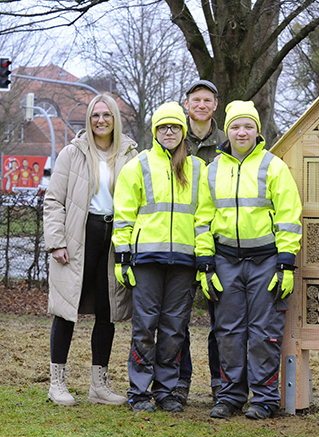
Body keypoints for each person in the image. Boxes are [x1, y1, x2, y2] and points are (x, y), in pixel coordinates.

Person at [194, 100, 302, 420]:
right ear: (227, 131)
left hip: (266, 262)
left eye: (248, 126)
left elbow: (289, 216)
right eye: (236, 126)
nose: (242, 132)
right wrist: (205, 263)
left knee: (264, 332)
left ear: (258, 131)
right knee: (227, 332)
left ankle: (265, 398)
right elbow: (202, 220)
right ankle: (230, 396)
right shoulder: (212, 170)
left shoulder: (273, 166)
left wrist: (285, 262)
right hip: (225, 261)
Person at [43, 94, 137, 407]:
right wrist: (57, 242)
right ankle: (57, 383)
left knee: (106, 311)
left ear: (115, 119)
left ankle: (99, 385)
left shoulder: (129, 153)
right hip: (79, 237)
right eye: (95, 115)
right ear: (89, 118)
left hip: (114, 239)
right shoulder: (72, 153)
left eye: (106, 115)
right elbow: (54, 200)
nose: (100, 120)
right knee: (67, 310)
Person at [112, 102, 204, 413]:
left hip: (183, 262)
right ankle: (139, 392)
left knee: (174, 328)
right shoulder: (137, 166)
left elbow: (204, 217)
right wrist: (122, 256)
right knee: (144, 327)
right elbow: (123, 215)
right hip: (146, 261)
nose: (169, 131)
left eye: (175, 126)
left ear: (183, 131)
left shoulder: (197, 170)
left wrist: (204, 258)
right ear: (155, 131)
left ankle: (166, 392)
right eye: (163, 126)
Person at [173, 79, 228, 405]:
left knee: (220, 321)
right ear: (187, 103)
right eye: (196, 100)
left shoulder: (228, 140)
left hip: (216, 242)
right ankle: (180, 382)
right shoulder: (174, 138)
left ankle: (220, 384)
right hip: (179, 240)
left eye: (208, 100)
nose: (202, 105)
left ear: (215, 105)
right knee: (177, 320)